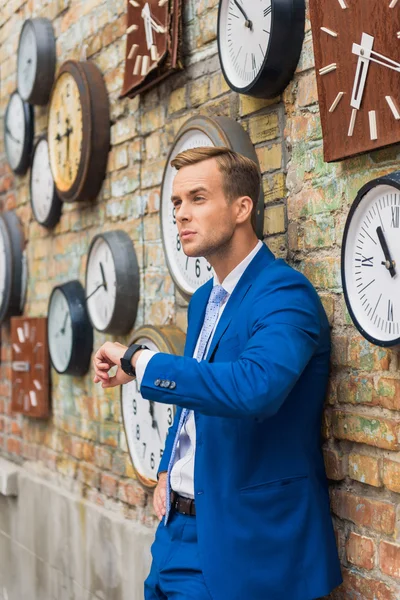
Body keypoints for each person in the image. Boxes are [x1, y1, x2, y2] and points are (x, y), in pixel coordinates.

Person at [93, 146, 343, 600]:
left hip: (246, 547)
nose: (181, 214)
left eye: (197, 198)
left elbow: (254, 389)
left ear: (241, 207)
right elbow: (197, 394)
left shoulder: (284, 293)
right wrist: (168, 466)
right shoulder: (204, 300)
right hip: (176, 533)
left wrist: (142, 360)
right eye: (176, 203)